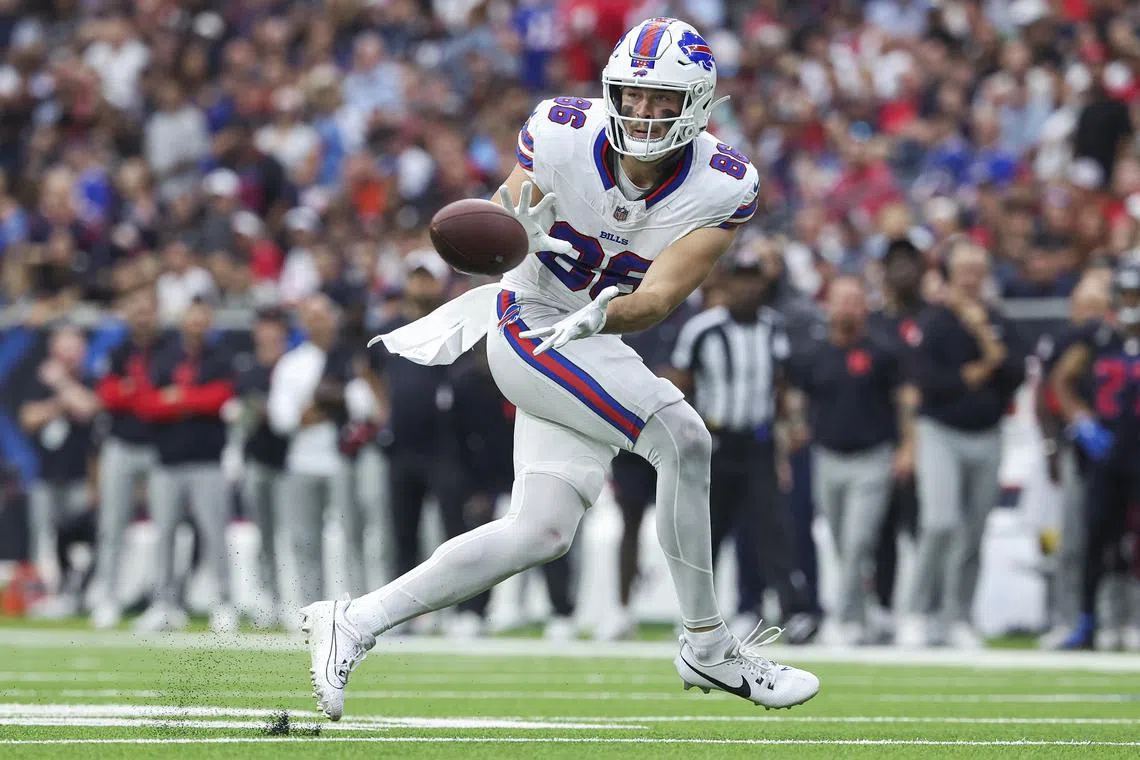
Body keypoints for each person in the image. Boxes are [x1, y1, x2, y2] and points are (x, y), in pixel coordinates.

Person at [300, 17, 819, 721]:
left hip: (595, 333)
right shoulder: (562, 132)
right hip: (528, 318)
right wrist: (510, 230)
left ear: (696, 104)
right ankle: (708, 644)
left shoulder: (723, 183)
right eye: (633, 94)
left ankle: (352, 620)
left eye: (660, 98)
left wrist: (604, 317)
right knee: (684, 437)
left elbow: (659, 297)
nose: (642, 111)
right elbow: (497, 219)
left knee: (540, 533)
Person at [669, 253, 818, 644]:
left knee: (772, 528)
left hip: (758, 442)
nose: (747, 287)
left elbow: (781, 384)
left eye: (754, 280)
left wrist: (791, 425)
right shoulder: (702, 329)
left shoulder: (773, 328)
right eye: (740, 279)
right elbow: (680, 384)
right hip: (715, 442)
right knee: (708, 531)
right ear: (726, 284)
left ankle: (793, 612)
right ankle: (696, 615)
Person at [900, 241, 1026, 648]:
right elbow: (928, 383)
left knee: (974, 531)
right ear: (950, 275)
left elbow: (1015, 375)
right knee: (939, 522)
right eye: (964, 270)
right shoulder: (934, 320)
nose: (971, 278)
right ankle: (917, 612)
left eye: (978, 270)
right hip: (942, 432)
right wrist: (975, 372)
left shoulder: (997, 319)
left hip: (987, 434)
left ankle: (959, 616)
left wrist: (983, 338)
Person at [787, 276, 905, 645]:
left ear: (865, 306)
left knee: (857, 540)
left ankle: (845, 619)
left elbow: (903, 402)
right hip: (828, 457)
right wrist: (797, 426)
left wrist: (907, 447)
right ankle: (868, 611)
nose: (848, 308)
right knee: (842, 543)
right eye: (841, 300)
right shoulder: (815, 353)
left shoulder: (882, 352)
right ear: (829, 306)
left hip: (872, 457)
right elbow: (797, 396)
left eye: (855, 300)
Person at [1049, 265, 1140, 650]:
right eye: (1128, 295)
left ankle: (1130, 620)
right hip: (1105, 454)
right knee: (1096, 539)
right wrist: (1081, 420)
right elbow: (1061, 379)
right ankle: (1087, 620)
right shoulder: (1097, 337)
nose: (1132, 303)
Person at [133, 298, 237, 633]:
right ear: (182, 322)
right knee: (164, 534)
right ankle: (163, 603)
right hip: (167, 461)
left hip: (207, 460)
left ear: (209, 323)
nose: (196, 325)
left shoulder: (221, 357)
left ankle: (223, 602)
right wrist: (193, 399)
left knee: (214, 533)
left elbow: (220, 397)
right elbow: (146, 404)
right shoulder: (163, 357)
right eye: (191, 319)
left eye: (201, 319)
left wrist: (179, 397)